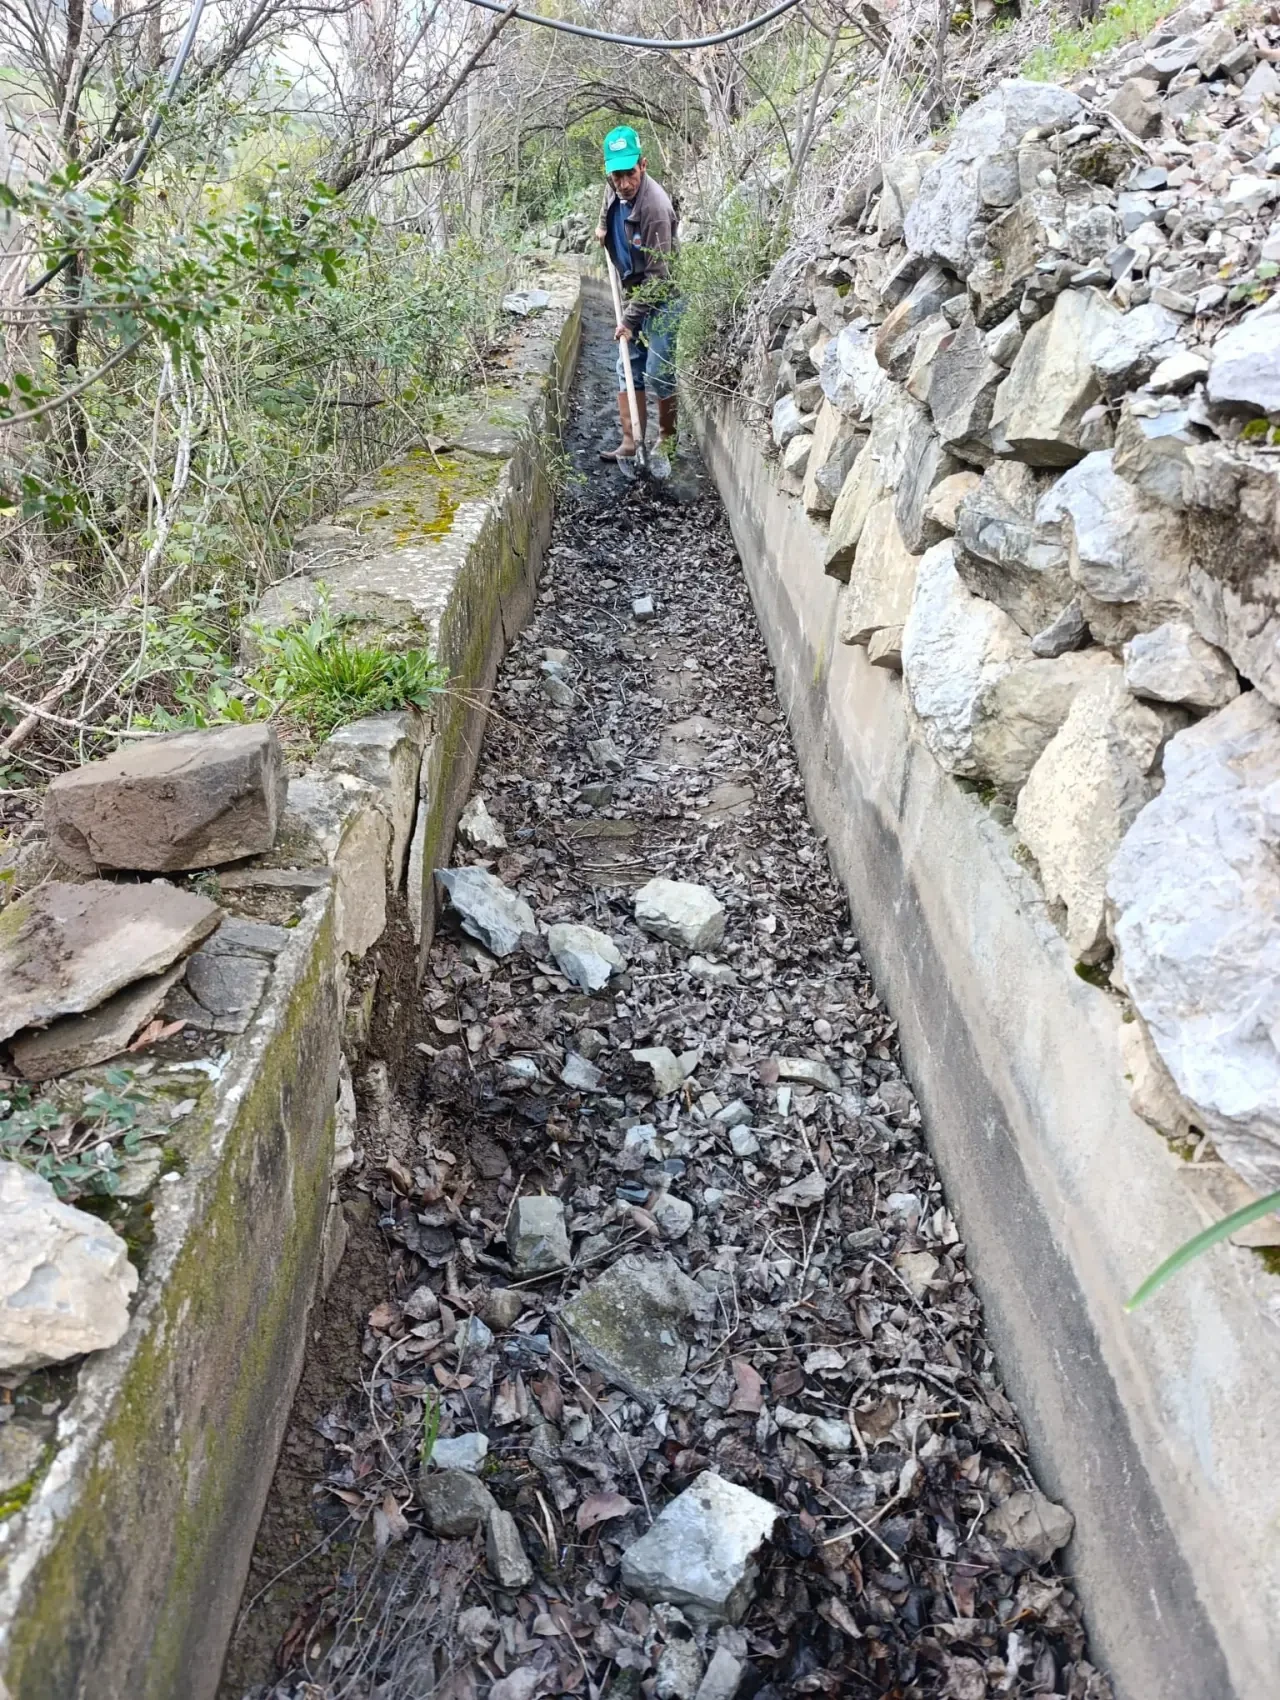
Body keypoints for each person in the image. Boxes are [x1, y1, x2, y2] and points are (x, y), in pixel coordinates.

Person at [595, 125, 682, 464]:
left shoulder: (655, 208)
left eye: (630, 174)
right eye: (617, 175)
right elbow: (609, 200)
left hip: (665, 295)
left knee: (659, 369)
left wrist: (629, 320)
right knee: (626, 364)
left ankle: (667, 440)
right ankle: (632, 443)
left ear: (643, 165)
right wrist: (603, 225)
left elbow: (659, 277)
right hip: (635, 288)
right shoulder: (614, 186)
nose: (624, 183)